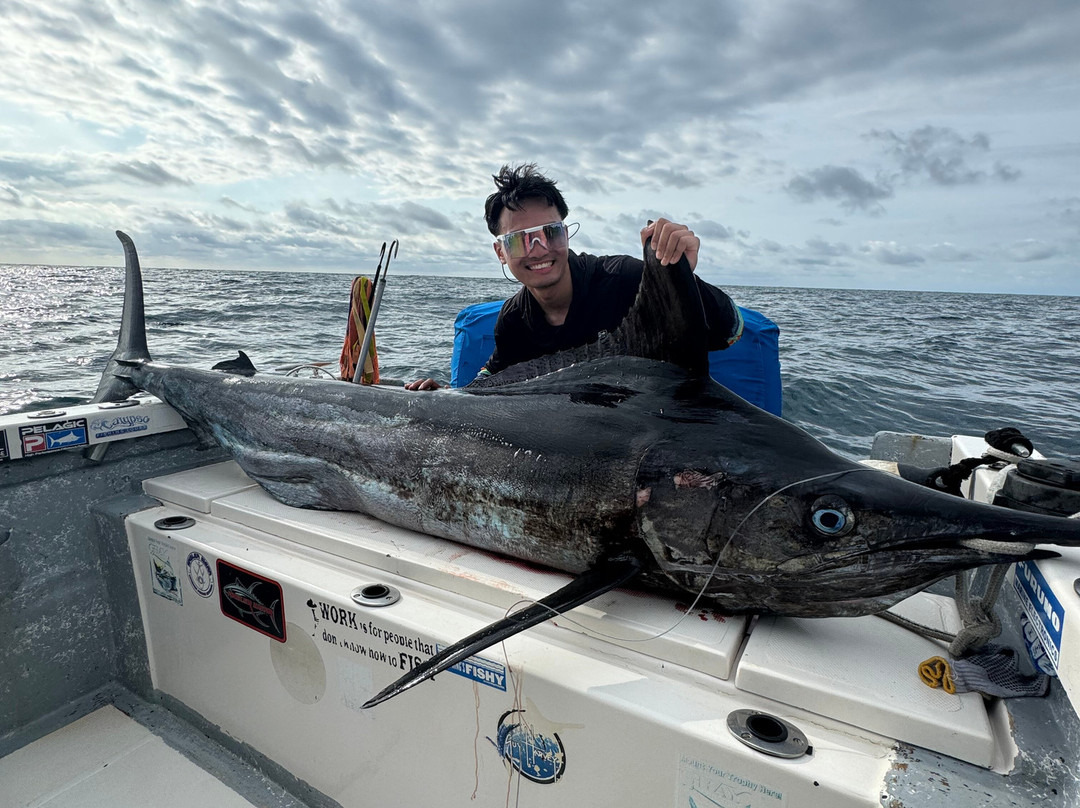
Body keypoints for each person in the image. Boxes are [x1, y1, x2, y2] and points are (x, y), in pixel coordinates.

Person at [405, 164, 742, 390]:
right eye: (520, 240)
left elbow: (731, 331)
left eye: (550, 232)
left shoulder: (624, 278)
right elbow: (494, 378)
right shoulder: (514, 319)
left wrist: (684, 279)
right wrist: (450, 397)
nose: (539, 249)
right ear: (500, 253)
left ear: (565, 234)